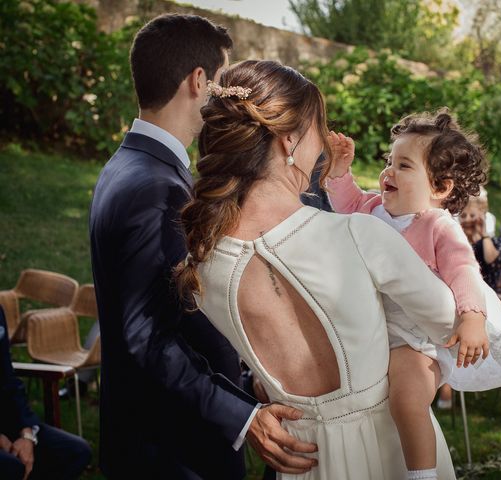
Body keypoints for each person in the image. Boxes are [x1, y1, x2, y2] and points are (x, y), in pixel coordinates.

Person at [176, 60, 460, 479]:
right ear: (289, 142)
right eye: (317, 129)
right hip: (389, 452)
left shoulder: (202, 263)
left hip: (302, 460)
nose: (323, 145)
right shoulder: (359, 236)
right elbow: (451, 324)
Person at [90, 15, 314, 479]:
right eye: (220, 81)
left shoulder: (127, 166)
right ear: (198, 81)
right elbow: (147, 337)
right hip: (173, 447)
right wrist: (242, 415)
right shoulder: (154, 187)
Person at [327, 110, 501, 476]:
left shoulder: (437, 226)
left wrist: (471, 318)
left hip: (416, 339)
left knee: (407, 398)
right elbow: (349, 203)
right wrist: (340, 171)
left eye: (403, 165)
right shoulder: (374, 208)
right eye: (389, 161)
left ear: (440, 188)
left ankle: (422, 475)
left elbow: (464, 269)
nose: (388, 171)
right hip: (371, 328)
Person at [0, 307, 92, 480]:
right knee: (12, 467)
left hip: (7, 421)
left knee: (76, 452)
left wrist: (27, 434)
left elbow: (8, 378)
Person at [459, 196, 501, 291]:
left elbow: (492, 262)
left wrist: (484, 234)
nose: (467, 220)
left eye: (472, 216)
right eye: (463, 216)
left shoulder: (496, 242)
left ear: (483, 218)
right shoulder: (458, 242)